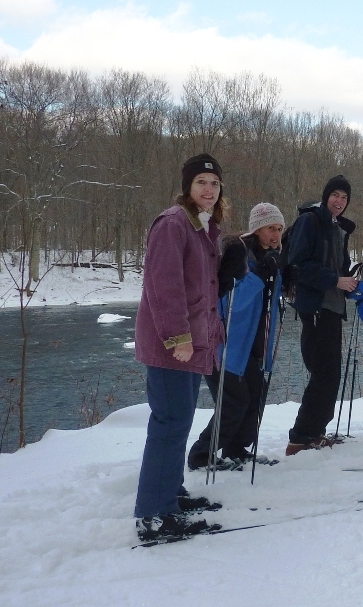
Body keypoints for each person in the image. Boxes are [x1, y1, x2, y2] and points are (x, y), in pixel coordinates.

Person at [132, 152, 243, 542]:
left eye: (214, 184)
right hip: (173, 345)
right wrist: (177, 337)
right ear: (187, 187)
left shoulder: (204, 228)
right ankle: (154, 516)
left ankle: (169, 496)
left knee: (178, 422)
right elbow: (164, 287)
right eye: (201, 183)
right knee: (169, 424)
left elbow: (202, 287)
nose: (209, 190)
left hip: (193, 344)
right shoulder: (173, 223)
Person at [187, 203, 286, 470]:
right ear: (256, 229)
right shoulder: (238, 255)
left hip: (254, 344)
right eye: (270, 228)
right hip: (225, 344)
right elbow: (234, 300)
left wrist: (286, 280)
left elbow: (267, 300)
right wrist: (261, 273)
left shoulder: (271, 256)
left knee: (255, 396)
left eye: (279, 229)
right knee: (233, 402)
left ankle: (236, 449)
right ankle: (200, 455)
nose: (275, 234)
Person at [285, 175, 358, 455]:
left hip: (333, 308)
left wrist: (350, 283)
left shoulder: (338, 228)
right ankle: (301, 437)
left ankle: (314, 433)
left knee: (330, 374)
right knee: (323, 374)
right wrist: (335, 281)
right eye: (335, 195)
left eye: (344, 197)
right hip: (316, 307)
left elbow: (339, 268)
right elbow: (299, 264)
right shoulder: (310, 221)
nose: (339, 201)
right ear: (326, 195)